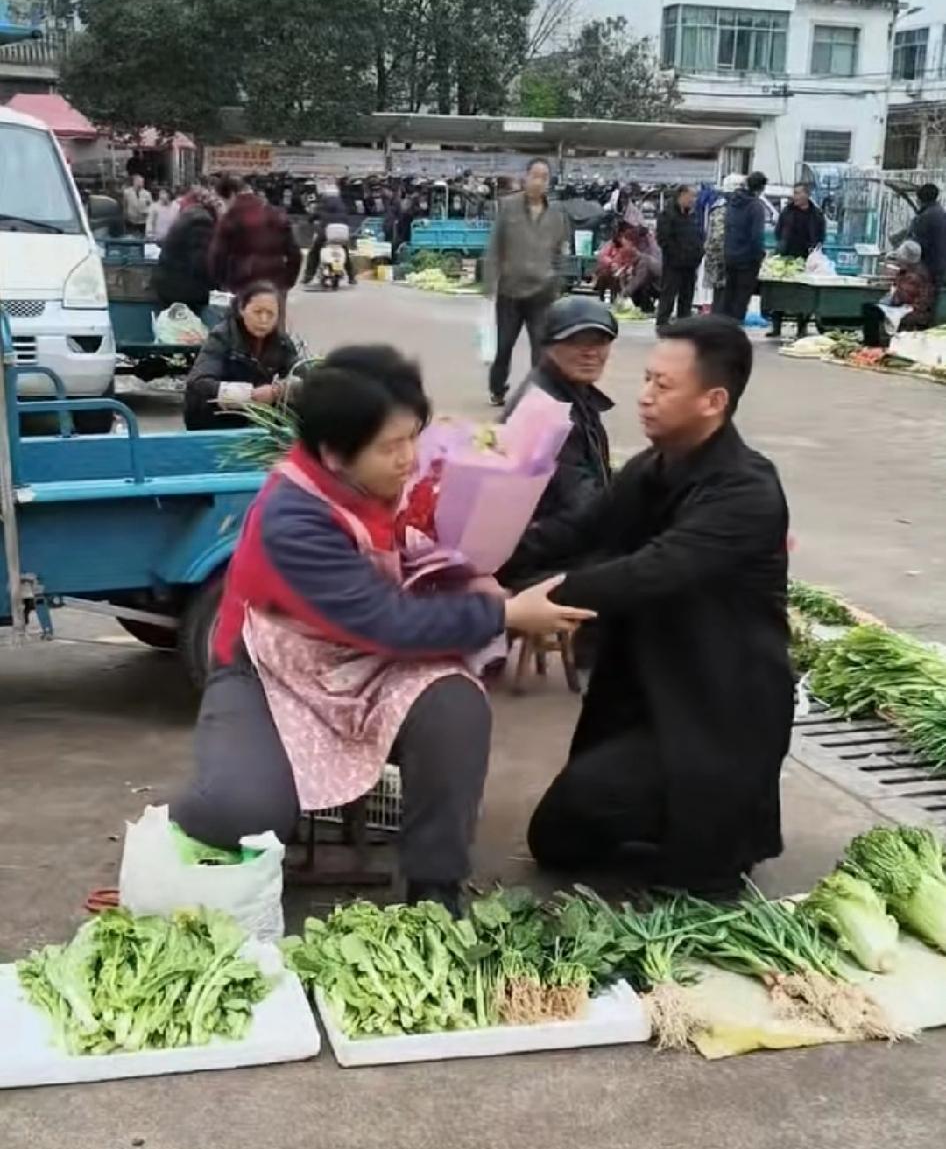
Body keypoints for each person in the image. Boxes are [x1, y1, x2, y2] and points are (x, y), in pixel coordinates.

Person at [171, 346, 591, 913]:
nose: (408, 458)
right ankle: (193, 815)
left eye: (413, 437)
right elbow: (387, 621)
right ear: (333, 454)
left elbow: (429, 554)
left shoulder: (388, 479)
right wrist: (506, 615)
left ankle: (434, 887)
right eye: (391, 447)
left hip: (370, 659)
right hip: (272, 669)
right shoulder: (293, 519)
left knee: (455, 707)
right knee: (243, 809)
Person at [517, 316, 793, 896]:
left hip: (718, 705)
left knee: (695, 870)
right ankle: (666, 815)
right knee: (557, 840)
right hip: (648, 687)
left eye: (663, 385)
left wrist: (533, 602)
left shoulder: (746, 491)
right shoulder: (652, 467)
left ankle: (709, 830)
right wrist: (475, 560)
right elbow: (577, 530)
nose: (643, 396)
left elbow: (650, 571)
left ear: (713, 401)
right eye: (646, 378)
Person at [498, 298, 616, 590]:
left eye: (600, 341)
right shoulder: (549, 412)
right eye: (576, 341)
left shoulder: (571, 395)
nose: (590, 352)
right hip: (540, 562)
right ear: (548, 345)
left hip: (552, 549)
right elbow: (582, 510)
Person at [484, 158, 570, 407]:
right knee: (504, 346)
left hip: (542, 293)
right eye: (535, 176)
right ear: (525, 177)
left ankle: (538, 392)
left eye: (544, 177)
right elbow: (495, 246)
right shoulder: (508, 207)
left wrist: (557, 282)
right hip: (510, 291)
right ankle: (497, 389)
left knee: (541, 348)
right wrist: (490, 283)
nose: (538, 182)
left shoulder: (557, 214)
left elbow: (561, 252)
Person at [184, 282, 300, 431]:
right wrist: (249, 395)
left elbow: (305, 377)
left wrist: (278, 391)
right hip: (219, 420)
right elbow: (198, 382)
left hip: (262, 420)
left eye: (270, 314)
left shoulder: (282, 342)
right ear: (242, 309)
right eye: (257, 312)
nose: (264, 319)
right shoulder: (222, 337)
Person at [209, 183, 302, 298]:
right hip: (275, 281)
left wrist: (223, 283)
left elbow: (218, 256)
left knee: (248, 309)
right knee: (272, 308)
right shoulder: (276, 214)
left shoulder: (230, 218)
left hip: (243, 282)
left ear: (231, 195)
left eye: (221, 202)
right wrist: (287, 281)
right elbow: (294, 253)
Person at [767, 183, 826, 340]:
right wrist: (781, 245)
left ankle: (802, 326)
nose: (795, 196)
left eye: (798, 193)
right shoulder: (787, 211)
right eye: (794, 193)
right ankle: (776, 326)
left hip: (806, 258)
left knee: (803, 294)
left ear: (807, 195)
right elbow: (778, 231)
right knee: (780, 293)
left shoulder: (816, 214)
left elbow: (821, 235)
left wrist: (814, 250)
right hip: (786, 255)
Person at [153, 187, 220, 313]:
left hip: (171, 284)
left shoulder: (190, 216)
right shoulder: (201, 221)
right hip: (182, 289)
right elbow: (201, 262)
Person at [862, 240, 934, 348]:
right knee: (873, 308)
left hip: (912, 310)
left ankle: (872, 346)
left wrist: (891, 295)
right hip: (908, 307)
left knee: (871, 311)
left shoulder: (914, 275)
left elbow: (901, 298)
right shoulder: (912, 270)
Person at [722, 170, 768, 324]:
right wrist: (760, 255)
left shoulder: (732, 202)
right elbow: (756, 235)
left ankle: (724, 324)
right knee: (742, 295)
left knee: (729, 292)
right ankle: (735, 325)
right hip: (747, 258)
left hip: (730, 254)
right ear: (761, 188)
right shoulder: (756, 206)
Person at [655, 185, 703, 326]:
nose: (693, 200)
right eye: (690, 196)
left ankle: (684, 322)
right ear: (681, 195)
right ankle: (662, 322)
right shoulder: (667, 214)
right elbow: (663, 239)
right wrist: (677, 254)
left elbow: (698, 236)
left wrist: (698, 253)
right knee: (669, 294)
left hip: (690, 263)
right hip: (673, 263)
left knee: (687, 295)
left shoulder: (692, 216)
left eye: (694, 197)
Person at [704, 174, 743, 314]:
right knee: (722, 294)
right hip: (722, 260)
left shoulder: (733, 208)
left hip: (727, 258)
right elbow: (718, 238)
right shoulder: (722, 209)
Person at [907, 182, 946, 290]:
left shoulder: (924, 218)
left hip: (927, 271)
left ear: (919, 199)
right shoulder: (942, 214)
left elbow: (914, 246)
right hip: (941, 270)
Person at [594, 222, 637, 302]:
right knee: (604, 275)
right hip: (611, 269)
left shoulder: (630, 246)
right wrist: (611, 263)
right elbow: (603, 256)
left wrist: (626, 267)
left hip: (623, 271)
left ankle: (616, 298)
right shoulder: (611, 244)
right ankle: (601, 297)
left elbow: (632, 259)